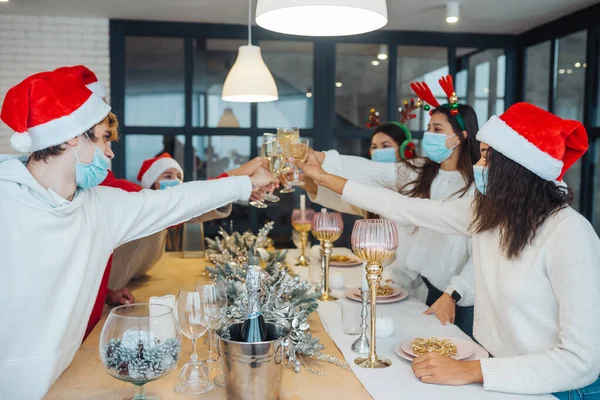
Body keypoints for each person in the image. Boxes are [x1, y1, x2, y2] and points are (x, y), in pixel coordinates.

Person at [0, 71, 274, 399]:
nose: (110, 152)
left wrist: (245, 184)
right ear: (73, 136)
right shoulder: (7, 204)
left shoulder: (101, 206)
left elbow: (177, 201)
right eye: (103, 138)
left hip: (64, 376)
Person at [297, 102, 600, 397]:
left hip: (561, 390)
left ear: (518, 168)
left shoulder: (569, 234)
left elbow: (581, 363)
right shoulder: (489, 215)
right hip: (501, 376)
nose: (479, 166)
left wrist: (470, 371)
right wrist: (324, 177)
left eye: (487, 158)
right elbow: (403, 208)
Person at [304, 76, 480, 336]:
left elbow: (482, 254)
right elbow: (372, 171)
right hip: (421, 287)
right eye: (429, 128)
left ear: (461, 137)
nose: (429, 135)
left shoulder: (477, 186)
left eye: (438, 130)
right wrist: (321, 160)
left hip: (460, 298)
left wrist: (454, 293)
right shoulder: (419, 170)